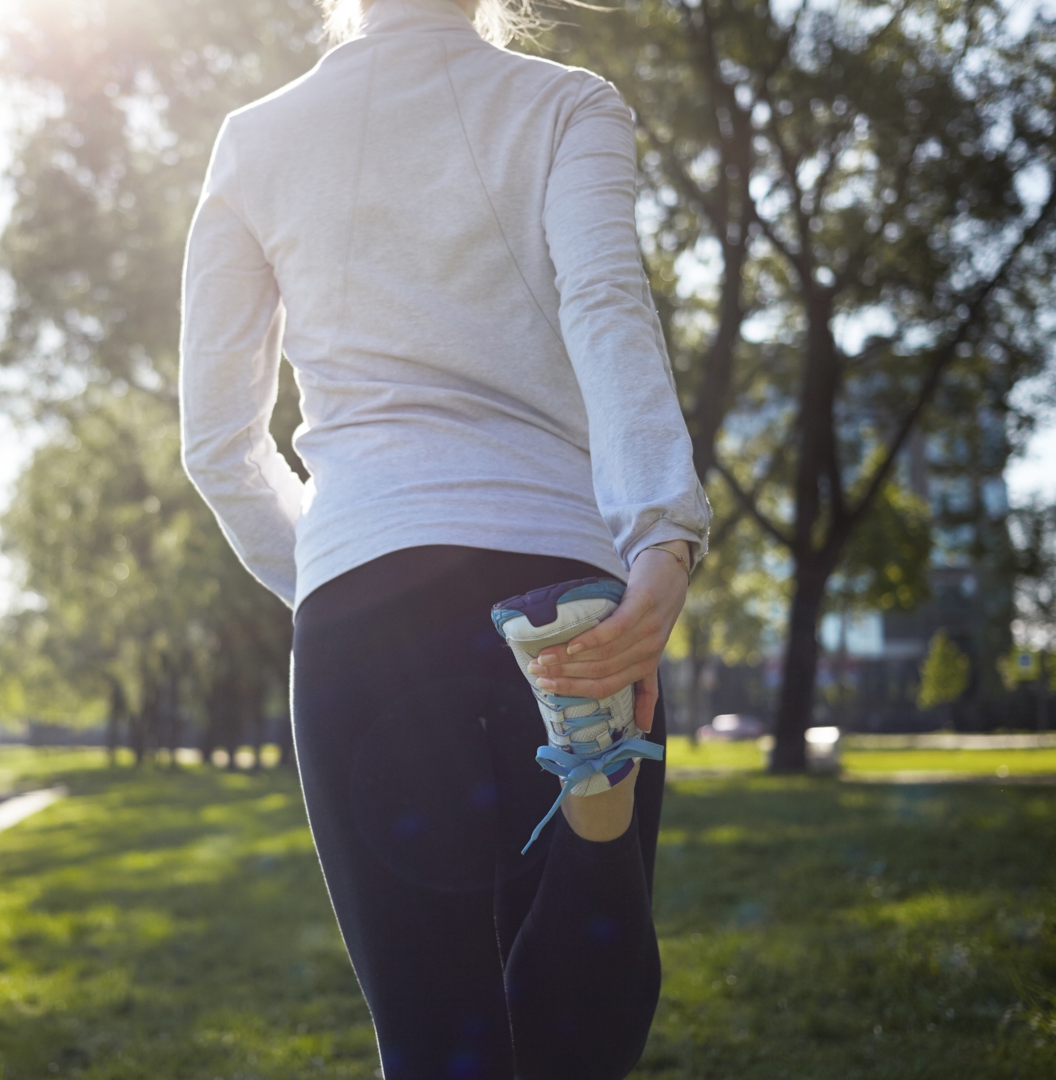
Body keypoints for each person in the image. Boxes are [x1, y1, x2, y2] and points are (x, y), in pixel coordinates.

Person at [179, 0, 709, 1076]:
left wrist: (338, 580)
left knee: (433, 1043)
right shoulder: (568, 103)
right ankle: (591, 798)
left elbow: (219, 443)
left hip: (363, 603)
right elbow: (606, 305)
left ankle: (587, 806)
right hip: (565, 601)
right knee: (578, 1034)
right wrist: (663, 539)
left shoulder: (256, 139)